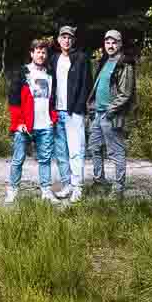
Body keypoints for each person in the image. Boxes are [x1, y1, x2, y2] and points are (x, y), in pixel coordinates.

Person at [3, 37, 58, 204]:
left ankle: (46, 191)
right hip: (25, 126)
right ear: (32, 53)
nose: (41, 55)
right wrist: (18, 123)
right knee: (18, 159)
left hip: (45, 124)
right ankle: (12, 190)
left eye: (43, 52)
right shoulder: (23, 73)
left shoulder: (49, 74)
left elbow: (53, 99)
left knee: (45, 159)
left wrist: (53, 118)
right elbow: (13, 100)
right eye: (38, 51)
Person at [86, 28, 138, 199]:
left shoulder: (125, 64)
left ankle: (118, 187)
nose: (110, 45)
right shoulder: (104, 62)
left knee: (116, 152)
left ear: (120, 44)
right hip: (97, 114)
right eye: (107, 42)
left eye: (114, 42)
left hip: (111, 115)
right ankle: (99, 182)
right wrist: (92, 108)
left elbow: (125, 94)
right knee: (94, 148)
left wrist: (110, 111)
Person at [50, 26, 91, 202]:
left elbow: (86, 85)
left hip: (73, 112)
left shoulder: (81, 58)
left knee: (76, 151)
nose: (66, 40)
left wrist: (79, 108)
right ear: (58, 40)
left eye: (69, 38)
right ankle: (66, 185)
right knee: (61, 153)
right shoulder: (54, 59)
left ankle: (78, 188)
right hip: (57, 112)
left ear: (73, 41)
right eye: (63, 37)